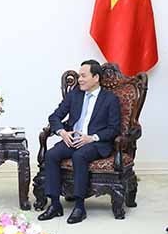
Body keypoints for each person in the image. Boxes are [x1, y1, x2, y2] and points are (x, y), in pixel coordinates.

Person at [37, 60, 121, 224]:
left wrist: (92, 138)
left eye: (83, 76)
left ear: (96, 77)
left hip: (95, 143)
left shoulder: (110, 99)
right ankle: (55, 204)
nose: (79, 79)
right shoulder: (74, 95)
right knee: (52, 155)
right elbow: (54, 116)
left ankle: (79, 206)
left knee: (80, 156)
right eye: (79, 75)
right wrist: (62, 132)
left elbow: (114, 129)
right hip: (73, 139)